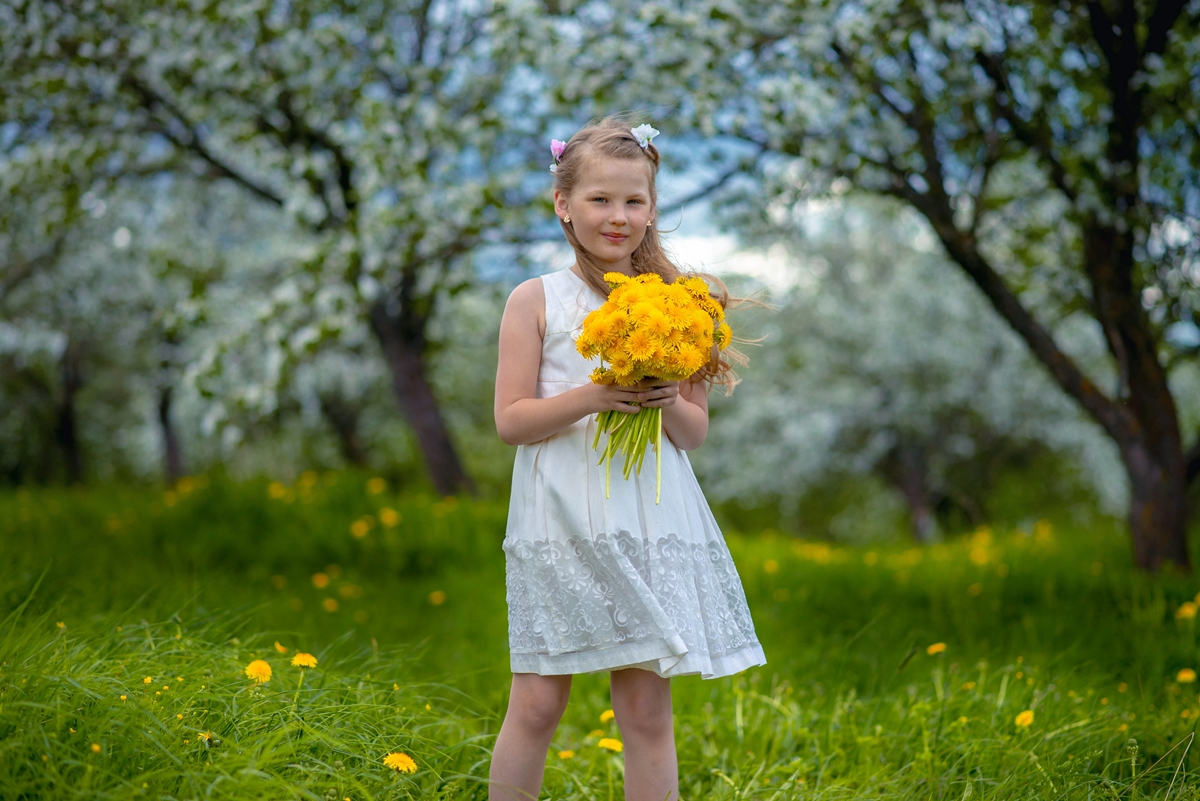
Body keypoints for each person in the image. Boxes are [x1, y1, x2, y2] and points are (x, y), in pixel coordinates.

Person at [490, 116, 766, 801]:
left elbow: (692, 433)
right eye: (599, 200)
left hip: (648, 519)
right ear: (563, 204)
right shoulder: (536, 300)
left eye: (633, 201)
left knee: (645, 710)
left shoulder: (682, 304)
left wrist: (664, 393)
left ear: (652, 207)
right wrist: (597, 394)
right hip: (559, 522)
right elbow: (511, 421)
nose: (618, 216)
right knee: (537, 704)